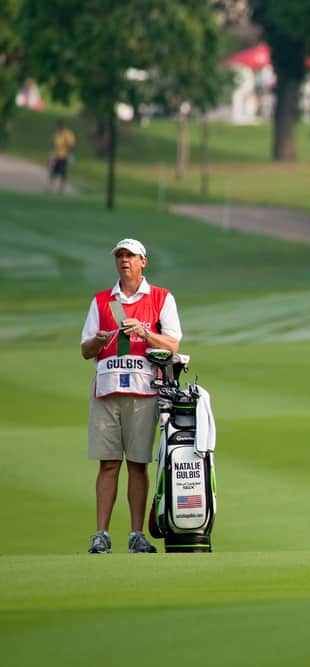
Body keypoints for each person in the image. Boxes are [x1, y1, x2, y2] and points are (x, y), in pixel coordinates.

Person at [80, 239, 183, 554]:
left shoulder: (161, 298)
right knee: (108, 464)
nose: (124, 261)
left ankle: (137, 535)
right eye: (120, 256)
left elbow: (173, 345)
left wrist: (144, 332)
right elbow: (86, 351)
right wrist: (98, 341)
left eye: (130, 256)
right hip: (107, 389)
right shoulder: (101, 301)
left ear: (143, 262)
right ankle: (101, 534)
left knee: (138, 464)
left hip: (143, 389)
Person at [49, 120, 76, 193]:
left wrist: (65, 145)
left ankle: (61, 188)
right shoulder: (57, 134)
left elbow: (71, 145)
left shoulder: (67, 134)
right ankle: (51, 187)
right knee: (53, 171)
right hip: (56, 155)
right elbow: (54, 144)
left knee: (63, 172)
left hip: (64, 156)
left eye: (60, 127)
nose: (59, 129)